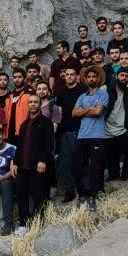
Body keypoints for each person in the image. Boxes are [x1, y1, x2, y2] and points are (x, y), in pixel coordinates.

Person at [72, 65, 109, 209]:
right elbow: (74, 113)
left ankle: (93, 197)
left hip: (97, 135)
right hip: (82, 135)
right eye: (89, 77)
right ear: (86, 80)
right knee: (78, 166)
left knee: (95, 167)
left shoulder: (103, 94)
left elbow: (98, 112)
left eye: (94, 76)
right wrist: (90, 109)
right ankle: (82, 195)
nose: (91, 79)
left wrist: (83, 110)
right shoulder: (82, 96)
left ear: (98, 78)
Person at [15, 95, 55, 228]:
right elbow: (19, 145)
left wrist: (43, 160)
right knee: (21, 196)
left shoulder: (46, 122)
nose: (32, 104)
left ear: (39, 104)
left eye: (35, 102)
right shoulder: (24, 124)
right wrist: (15, 162)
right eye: (30, 102)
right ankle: (23, 224)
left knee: (39, 196)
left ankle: (39, 224)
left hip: (37, 166)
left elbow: (49, 144)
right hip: (22, 167)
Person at [54, 67, 85, 202]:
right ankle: (70, 191)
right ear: (64, 76)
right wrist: (56, 128)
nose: (70, 76)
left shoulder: (83, 90)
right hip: (65, 131)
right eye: (67, 74)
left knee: (80, 162)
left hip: (80, 130)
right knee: (64, 164)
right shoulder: (60, 92)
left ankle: (83, 190)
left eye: (72, 74)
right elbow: (57, 112)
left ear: (76, 76)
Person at [103, 68, 128, 184]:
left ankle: (126, 175)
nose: (124, 78)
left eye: (127, 76)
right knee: (111, 155)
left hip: (122, 129)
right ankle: (114, 176)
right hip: (106, 130)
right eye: (122, 75)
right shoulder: (106, 89)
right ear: (116, 76)